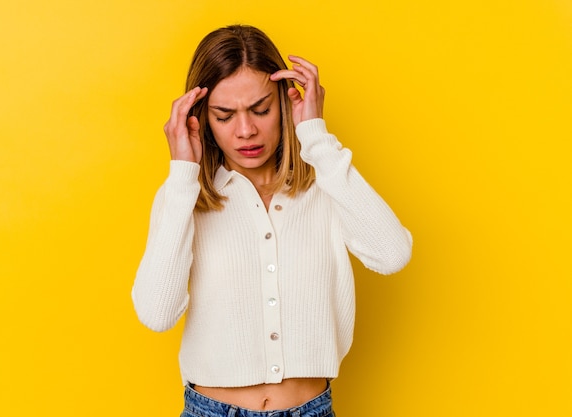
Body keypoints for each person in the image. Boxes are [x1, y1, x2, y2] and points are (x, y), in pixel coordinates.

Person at [132, 24, 412, 417]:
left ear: (286, 101)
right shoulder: (185, 196)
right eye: (225, 115)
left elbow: (392, 254)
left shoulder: (327, 185)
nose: (246, 130)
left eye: (261, 109)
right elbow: (156, 314)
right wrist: (182, 174)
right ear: (202, 119)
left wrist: (315, 136)